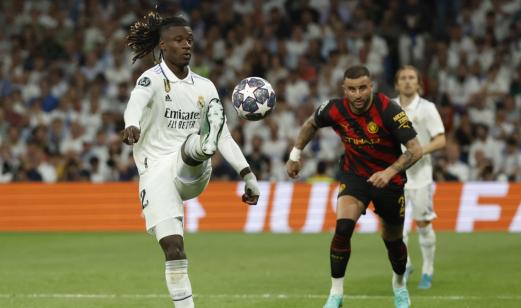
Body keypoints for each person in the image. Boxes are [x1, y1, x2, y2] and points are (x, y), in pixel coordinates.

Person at [121, 12, 260, 308]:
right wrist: (131, 124)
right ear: (163, 45)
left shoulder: (205, 86)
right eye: (179, 40)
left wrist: (248, 175)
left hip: (192, 169)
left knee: (202, 139)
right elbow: (136, 102)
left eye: (190, 40)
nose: (186, 45)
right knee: (174, 250)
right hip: (156, 173)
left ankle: (201, 145)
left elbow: (225, 137)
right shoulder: (152, 78)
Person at [286, 65, 423, 308]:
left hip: (389, 182)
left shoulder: (389, 110)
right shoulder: (335, 108)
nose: (358, 94)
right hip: (355, 177)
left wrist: (389, 171)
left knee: (393, 241)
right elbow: (310, 124)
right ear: (344, 89)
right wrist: (295, 155)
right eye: (352, 89)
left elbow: (416, 149)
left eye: (362, 88)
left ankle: (399, 285)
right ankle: (336, 293)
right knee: (343, 228)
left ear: (371, 86)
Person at [394, 65, 446, 289]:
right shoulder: (389, 107)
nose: (407, 81)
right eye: (403, 78)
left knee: (423, 224)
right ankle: (405, 265)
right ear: (397, 84)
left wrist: (419, 151)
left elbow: (441, 139)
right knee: (395, 227)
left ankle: (428, 270)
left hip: (421, 176)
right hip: (394, 174)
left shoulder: (427, 108)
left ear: (418, 84)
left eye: (411, 78)